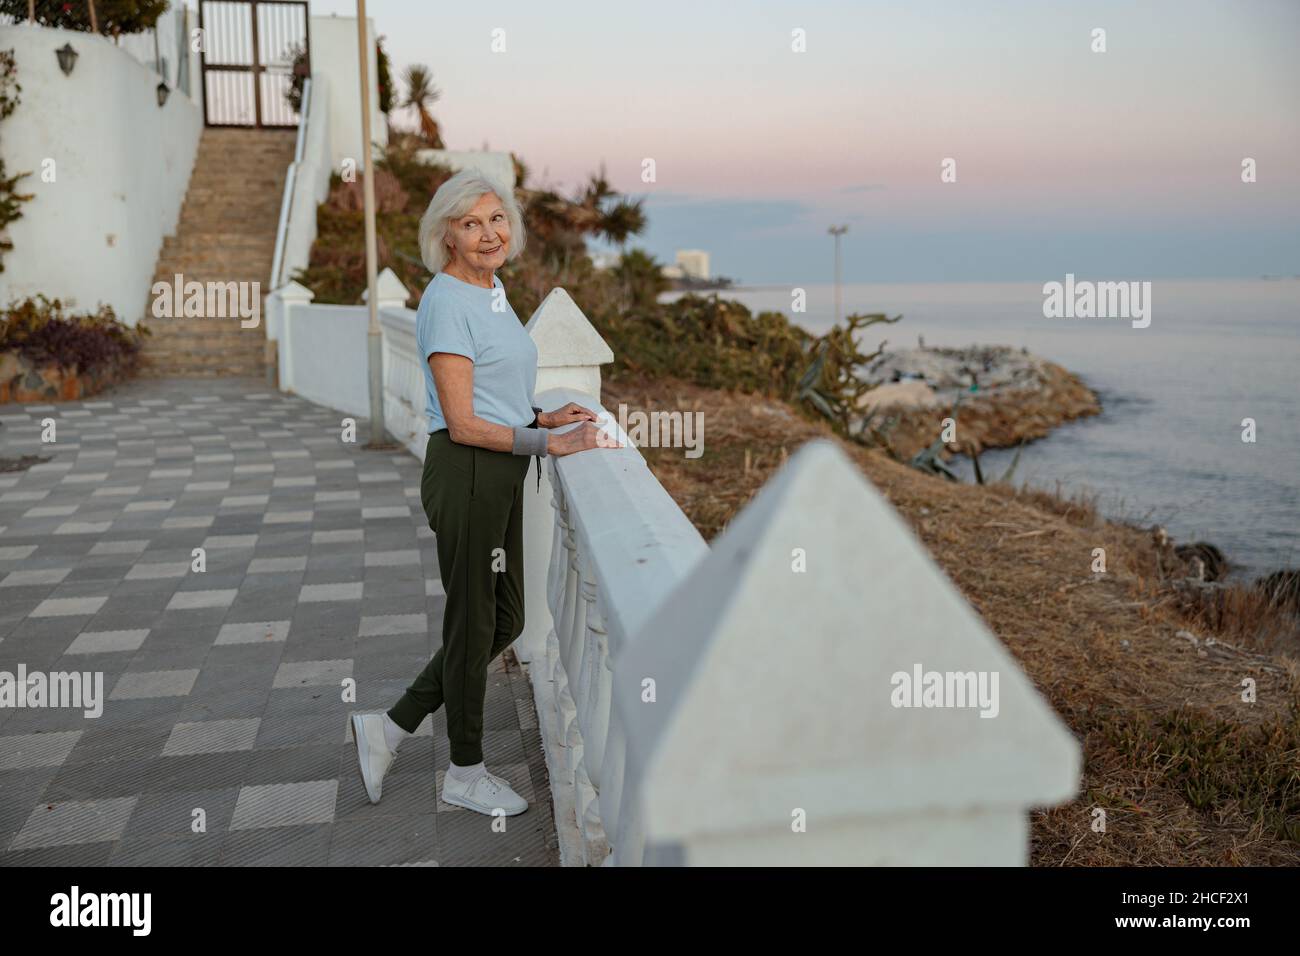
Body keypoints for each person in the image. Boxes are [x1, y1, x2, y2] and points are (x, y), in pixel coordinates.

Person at [349, 168, 618, 816]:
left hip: (499, 472)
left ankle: (388, 727)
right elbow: (464, 421)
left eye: (497, 219)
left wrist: (539, 417)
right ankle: (464, 772)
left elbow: (497, 392)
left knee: (507, 618)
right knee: (472, 627)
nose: (489, 232)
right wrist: (547, 445)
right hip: (467, 475)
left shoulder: (492, 290)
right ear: (446, 237)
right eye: (471, 223)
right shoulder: (446, 300)